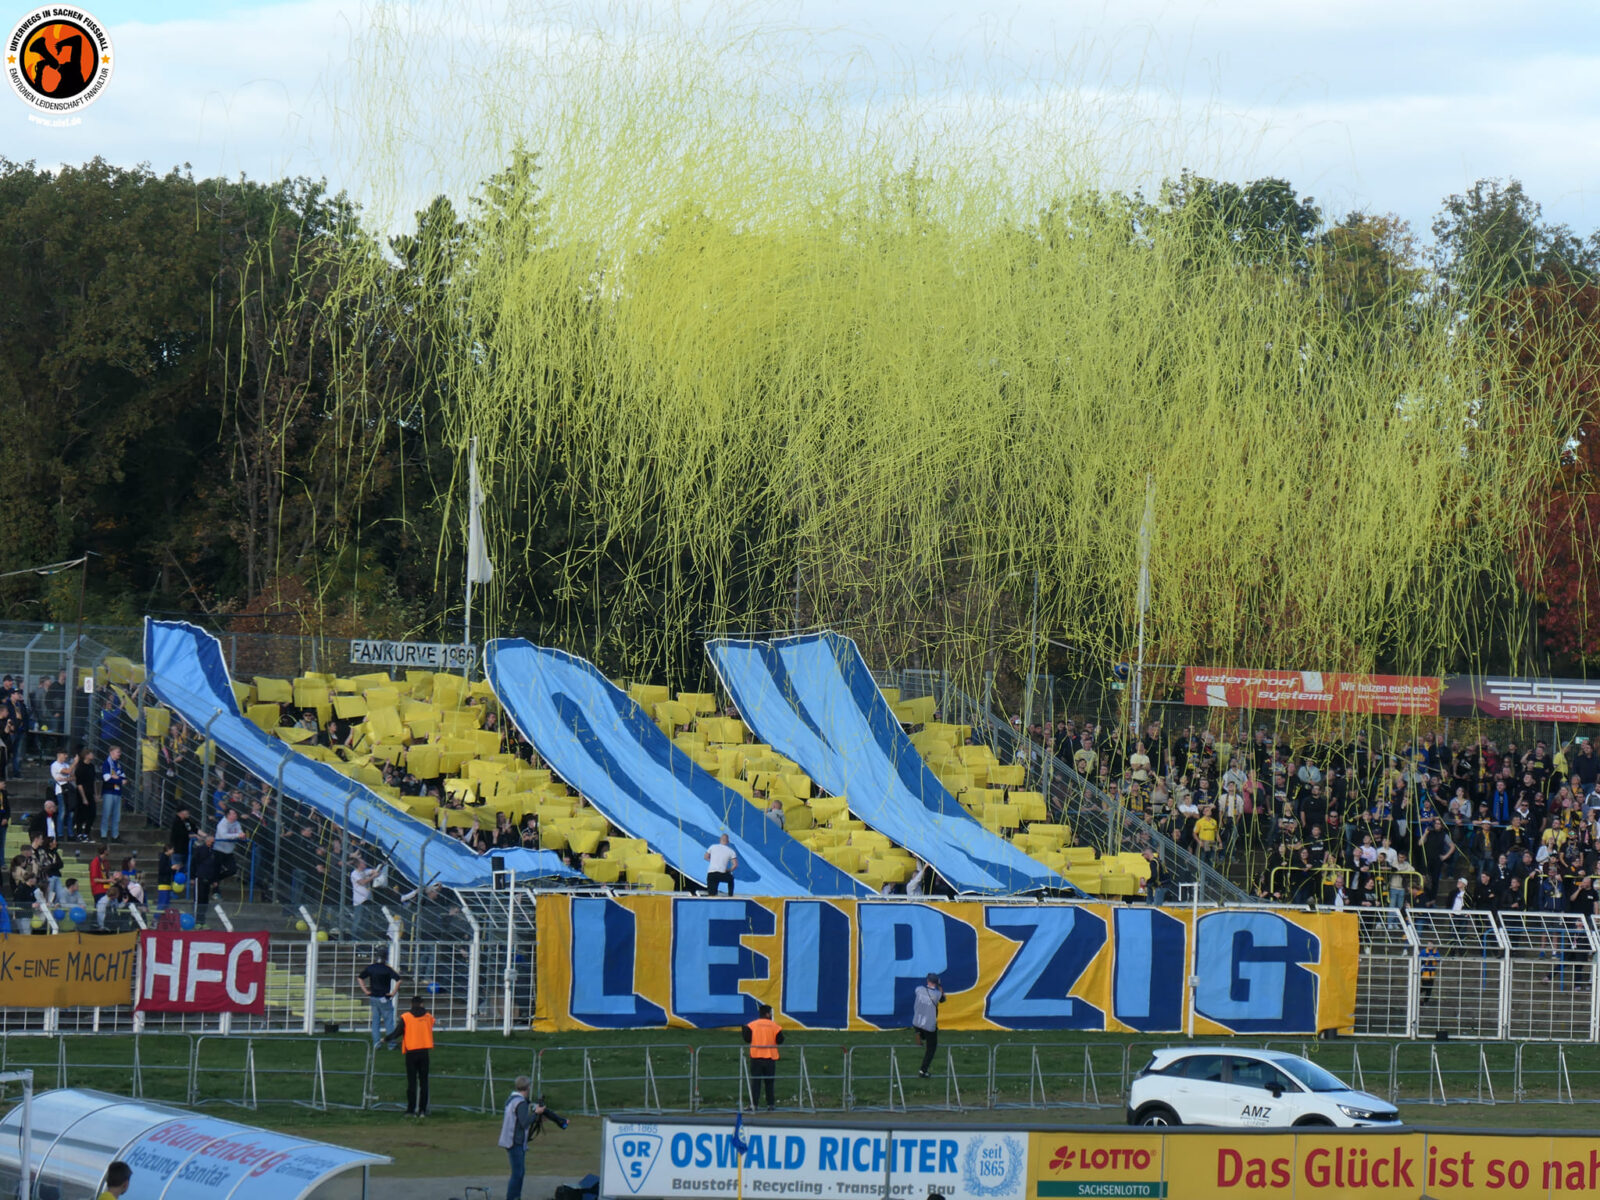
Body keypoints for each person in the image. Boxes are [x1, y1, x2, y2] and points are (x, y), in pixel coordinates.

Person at [382, 994, 435, 1116]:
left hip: (411, 1052)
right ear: (422, 1004)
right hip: (424, 1051)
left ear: (411, 1004)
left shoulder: (406, 1017)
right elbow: (430, 1026)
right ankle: (422, 1110)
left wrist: (386, 1039)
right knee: (424, 1082)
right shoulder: (428, 1017)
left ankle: (411, 1109)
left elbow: (397, 1032)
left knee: (412, 1082)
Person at [498, 1075, 546, 1200]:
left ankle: (515, 1197)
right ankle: (513, 1197)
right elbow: (524, 1122)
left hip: (512, 1140)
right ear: (527, 1087)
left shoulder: (512, 1099)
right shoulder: (520, 1102)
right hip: (515, 1141)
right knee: (517, 1173)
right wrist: (536, 1113)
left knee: (519, 1172)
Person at [742, 1003, 784, 1111]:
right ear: (767, 1014)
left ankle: (754, 1104)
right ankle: (770, 1104)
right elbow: (780, 1040)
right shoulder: (775, 1026)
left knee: (756, 1082)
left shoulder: (752, 1025)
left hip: (756, 1056)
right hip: (770, 1057)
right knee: (769, 1082)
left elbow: (747, 1039)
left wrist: (743, 1030)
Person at [359, 951, 403, 1049]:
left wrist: (366, 990)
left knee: (375, 1022)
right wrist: (393, 992)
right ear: (385, 958)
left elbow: (360, 978)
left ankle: (376, 1044)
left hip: (374, 997)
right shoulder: (387, 969)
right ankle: (391, 1044)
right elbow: (399, 980)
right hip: (385, 997)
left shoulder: (371, 968)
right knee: (389, 1022)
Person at [911, 972, 945, 1079]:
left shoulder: (919, 989)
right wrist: (939, 986)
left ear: (927, 981)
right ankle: (923, 1071)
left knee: (921, 1032)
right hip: (929, 1025)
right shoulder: (937, 995)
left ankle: (918, 1034)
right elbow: (943, 999)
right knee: (931, 1048)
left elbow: (919, 993)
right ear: (936, 982)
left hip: (917, 1021)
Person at [100, 745, 125, 841]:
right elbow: (107, 778)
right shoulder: (107, 763)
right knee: (106, 814)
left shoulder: (118, 764)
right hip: (109, 792)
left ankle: (115, 835)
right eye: (117, 752)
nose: (119, 754)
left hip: (117, 792)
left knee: (116, 815)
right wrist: (119, 780)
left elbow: (124, 777)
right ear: (111, 752)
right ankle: (104, 835)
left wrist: (116, 778)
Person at [50, 750, 75, 841]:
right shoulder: (55, 765)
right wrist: (74, 763)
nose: (66, 756)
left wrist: (66, 778)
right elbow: (68, 772)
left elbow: (73, 776)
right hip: (61, 791)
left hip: (69, 791)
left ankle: (70, 834)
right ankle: (60, 834)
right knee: (62, 812)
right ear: (59, 755)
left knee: (71, 813)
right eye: (64, 754)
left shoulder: (66, 764)